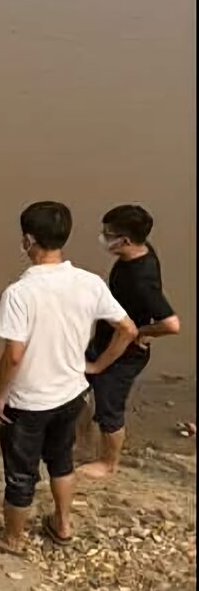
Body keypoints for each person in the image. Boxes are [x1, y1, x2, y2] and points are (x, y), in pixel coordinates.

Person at [0, 201, 137, 553]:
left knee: (21, 473)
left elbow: (13, 355)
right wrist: (98, 366)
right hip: (73, 393)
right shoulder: (89, 282)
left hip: (28, 401)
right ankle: (63, 523)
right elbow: (128, 329)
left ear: (28, 240)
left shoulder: (19, 293)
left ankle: (12, 538)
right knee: (61, 460)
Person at [78, 205, 180, 479]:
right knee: (78, 386)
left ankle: (108, 463)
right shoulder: (140, 251)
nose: (102, 237)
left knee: (109, 407)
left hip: (122, 353)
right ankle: (80, 440)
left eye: (107, 234)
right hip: (105, 338)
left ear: (124, 240)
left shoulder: (141, 280)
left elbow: (172, 324)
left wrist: (141, 332)